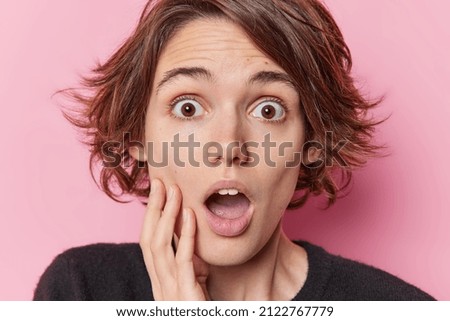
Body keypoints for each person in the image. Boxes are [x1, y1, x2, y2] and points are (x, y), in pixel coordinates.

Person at [34, 0, 434, 300]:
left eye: (268, 109)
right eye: (188, 107)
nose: (228, 145)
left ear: (313, 141)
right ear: (138, 138)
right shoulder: (80, 290)